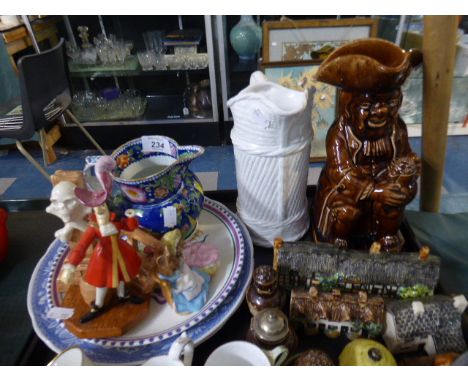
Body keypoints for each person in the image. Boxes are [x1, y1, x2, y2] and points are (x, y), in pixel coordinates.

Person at [313, 38, 422, 251]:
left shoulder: (396, 128)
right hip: (350, 191)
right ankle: (337, 241)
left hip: (384, 185)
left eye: (390, 103)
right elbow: (341, 173)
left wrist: (411, 165)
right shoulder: (340, 133)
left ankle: (386, 236)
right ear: (349, 107)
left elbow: (404, 154)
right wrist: (375, 191)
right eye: (369, 106)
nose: (381, 111)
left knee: (398, 195)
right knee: (346, 211)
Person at [58, 156, 143, 323]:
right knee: (101, 283)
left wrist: (132, 218)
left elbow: (129, 227)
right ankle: (98, 305)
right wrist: (70, 265)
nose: (101, 212)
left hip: (120, 251)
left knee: (122, 277)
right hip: (103, 257)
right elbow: (81, 247)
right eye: (98, 210)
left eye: (103, 208)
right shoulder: (94, 227)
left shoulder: (114, 220)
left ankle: (122, 296)